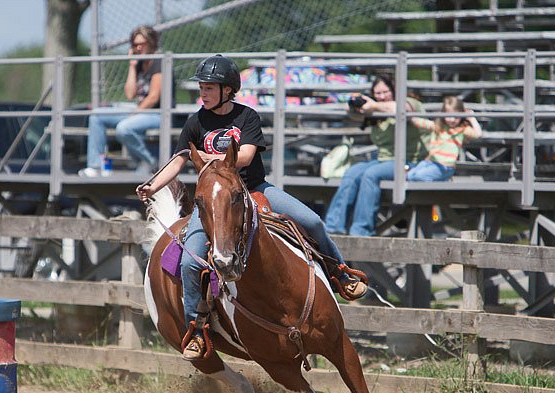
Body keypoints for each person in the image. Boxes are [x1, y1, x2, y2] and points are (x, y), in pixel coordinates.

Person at [136, 55, 367, 360]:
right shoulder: (195, 122)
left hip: (255, 189)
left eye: (208, 87)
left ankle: (340, 274)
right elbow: (179, 159)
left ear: (228, 90)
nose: (202, 93)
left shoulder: (247, 117)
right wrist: (154, 185)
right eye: (201, 87)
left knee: (312, 222)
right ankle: (196, 328)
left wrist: (205, 160)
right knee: (191, 262)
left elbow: (243, 156)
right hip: (215, 202)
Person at [324, 75, 428, 236]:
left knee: (370, 175)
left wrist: (375, 105)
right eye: (377, 93)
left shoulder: (410, 102)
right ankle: (333, 227)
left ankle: (361, 230)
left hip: (410, 161)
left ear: (394, 90)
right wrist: (355, 104)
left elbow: (401, 109)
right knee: (352, 172)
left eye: (385, 92)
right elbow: (351, 112)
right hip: (383, 160)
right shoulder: (375, 111)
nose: (381, 96)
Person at [79, 25, 162, 178]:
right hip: (139, 112)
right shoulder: (138, 64)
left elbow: (153, 97)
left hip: (159, 114)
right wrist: (132, 65)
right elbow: (130, 94)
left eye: (142, 44)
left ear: (151, 43)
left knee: (123, 128)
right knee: (96, 115)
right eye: (135, 44)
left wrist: (135, 113)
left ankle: (151, 162)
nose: (138, 48)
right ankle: (95, 166)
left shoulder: (159, 62)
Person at [408, 95, 482, 182]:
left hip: (445, 166)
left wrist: (472, 118)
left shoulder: (462, 129)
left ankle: (440, 184)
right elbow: (422, 123)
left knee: (419, 177)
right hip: (430, 162)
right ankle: (441, 180)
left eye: (456, 116)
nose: (452, 120)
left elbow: (478, 134)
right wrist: (409, 117)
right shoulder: (438, 126)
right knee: (409, 175)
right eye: (449, 116)